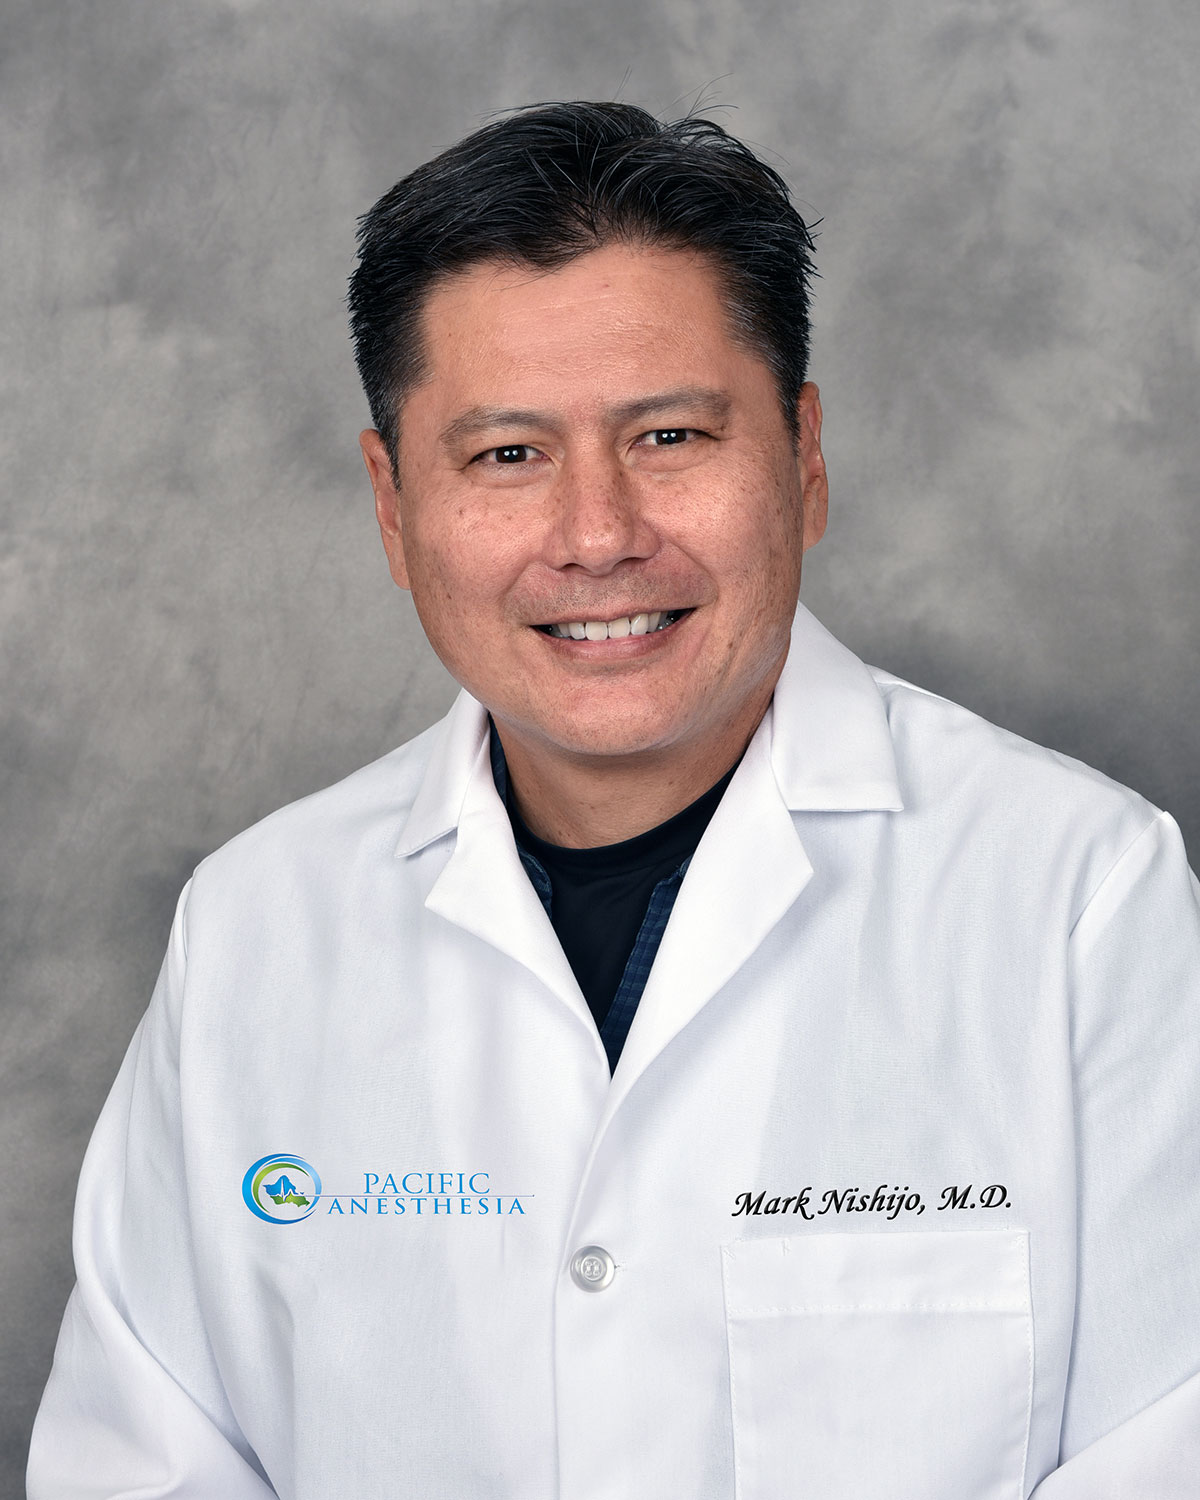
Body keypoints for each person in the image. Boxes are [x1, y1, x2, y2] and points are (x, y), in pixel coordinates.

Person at [28, 101, 1200, 1499]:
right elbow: (144, 1463)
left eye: (671, 436)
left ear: (806, 458)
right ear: (393, 509)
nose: (597, 537)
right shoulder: (254, 933)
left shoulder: (1082, 898)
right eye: (506, 455)